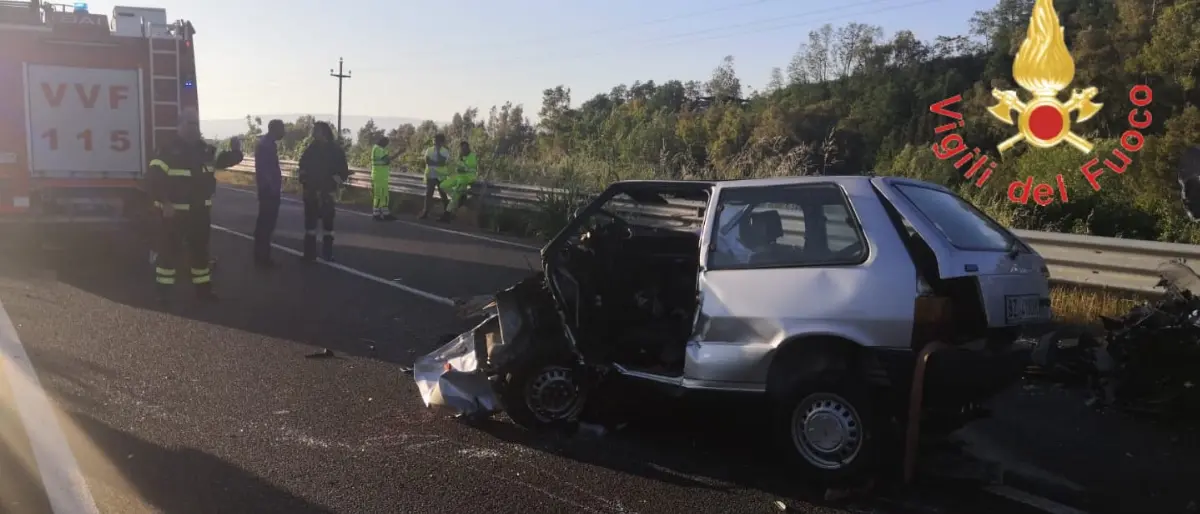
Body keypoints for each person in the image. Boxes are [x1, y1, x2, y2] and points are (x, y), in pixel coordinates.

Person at [147, 106, 243, 305]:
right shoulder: (167, 150)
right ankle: (162, 294)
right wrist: (165, 203)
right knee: (168, 255)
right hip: (174, 215)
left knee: (200, 254)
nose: (193, 127)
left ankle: (203, 292)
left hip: (200, 214)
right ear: (179, 126)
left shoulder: (205, 150)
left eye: (196, 124)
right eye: (189, 123)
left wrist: (236, 152)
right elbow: (154, 180)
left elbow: (222, 161)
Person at [297, 122, 350, 262]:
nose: (313, 132)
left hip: (327, 193)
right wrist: (304, 180)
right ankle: (309, 254)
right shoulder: (311, 149)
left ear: (324, 132)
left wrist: (334, 183)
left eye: (316, 130)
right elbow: (302, 165)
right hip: (311, 192)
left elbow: (343, 171)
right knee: (310, 225)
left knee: (328, 225)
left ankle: (327, 253)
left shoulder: (335, 151)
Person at [253, 119, 285, 268]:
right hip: (269, 190)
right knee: (267, 223)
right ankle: (262, 255)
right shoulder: (267, 146)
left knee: (263, 222)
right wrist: (272, 187)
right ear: (275, 129)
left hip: (266, 189)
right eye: (282, 129)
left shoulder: (266, 143)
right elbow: (266, 170)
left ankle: (259, 253)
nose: (284, 132)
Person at [439, 140, 478, 221]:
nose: (463, 150)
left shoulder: (472, 156)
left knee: (457, 192)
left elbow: (469, 168)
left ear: (468, 148)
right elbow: (457, 168)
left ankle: (447, 214)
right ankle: (459, 197)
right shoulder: (460, 156)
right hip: (459, 176)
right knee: (442, 185)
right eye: (462, 149)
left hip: (467, 178)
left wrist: (461, 167)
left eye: (465, 149)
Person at [418, 133, 451, 219]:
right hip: (431, 175)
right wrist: (436, 163)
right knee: (429, 194)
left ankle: (447, 213)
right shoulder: (429, 150)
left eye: (437, 140)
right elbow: (427, 161)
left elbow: (442, 162)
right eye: (434, 140)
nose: (435, 142)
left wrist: (438, 152)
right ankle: (425, 212)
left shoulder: (445, 151)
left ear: (441, 142)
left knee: (443, 195)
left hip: (440, 176)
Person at [370, 137, 399, 222]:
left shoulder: (379, 149)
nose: (387, 145)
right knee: (379, 195)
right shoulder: (378, 149)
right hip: (378, 176)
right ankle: (376, 214)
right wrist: (398, 153)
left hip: (382, 176)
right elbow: (386, 160)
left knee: (384, 195)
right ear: (383, 142)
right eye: (386, 143)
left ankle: (385, 213)